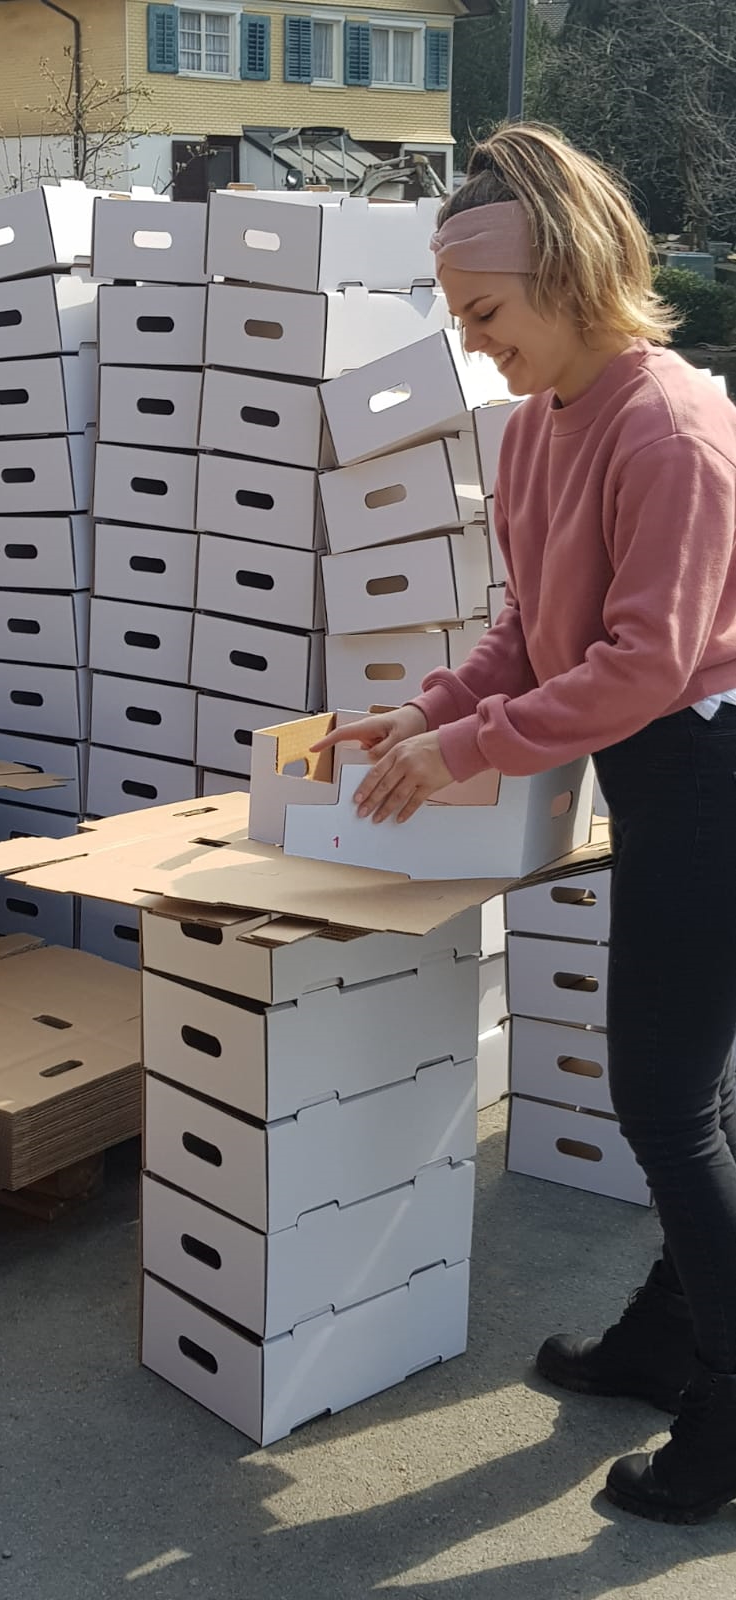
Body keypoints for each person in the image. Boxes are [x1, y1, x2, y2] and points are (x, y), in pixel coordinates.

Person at [313, 123, 736, 1525]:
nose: (473, 341)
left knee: (662, 1105)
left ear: (564, 274)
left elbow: (643, 662)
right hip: (666, 770)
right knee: (685, 1096)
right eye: (458, 315)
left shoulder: (668, 426)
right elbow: (529, 627)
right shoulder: (545, 419)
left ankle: (729, 1408)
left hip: (712, 769)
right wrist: (424, 710)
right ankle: (669, 1340)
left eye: (485, 311)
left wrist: (465, 751)